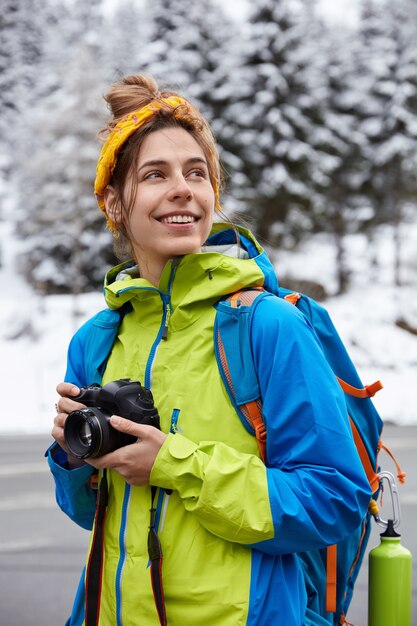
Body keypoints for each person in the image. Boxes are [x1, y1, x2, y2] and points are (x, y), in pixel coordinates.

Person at [48, 74, 371, 626]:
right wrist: (74, 456)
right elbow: (88, 513)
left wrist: (175, 464)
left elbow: (333, 500)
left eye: (197, 173)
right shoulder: (98, 339)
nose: (183, 189)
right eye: (155, 175)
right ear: (114, 202)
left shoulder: (267, 326)